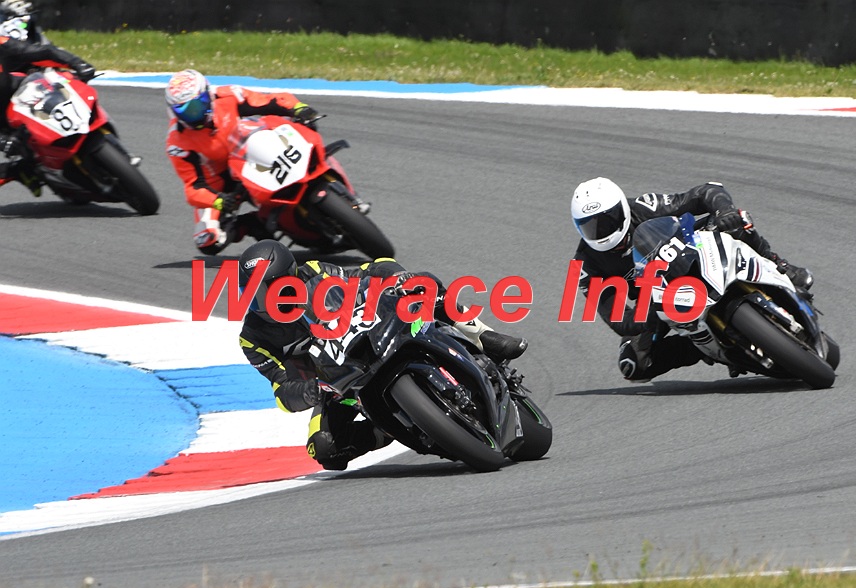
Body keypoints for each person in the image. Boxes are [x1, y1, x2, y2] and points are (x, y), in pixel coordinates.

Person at [237, 240, 528, 470]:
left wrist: (397, 277)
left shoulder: (315, 272)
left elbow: (367, 271)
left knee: (423, 284)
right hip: (334, 384)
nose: (265, 302)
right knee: (324, 449)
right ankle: (386, 430)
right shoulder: (253, 337)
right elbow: (281, 392)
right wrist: (309, 392)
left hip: (371, 334)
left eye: (272, 290)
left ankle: (483, 337)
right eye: (254, 295)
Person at [570, 177, 814, 382]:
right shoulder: (584, 266)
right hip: (656, 298)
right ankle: (703, 348)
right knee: (633, 364)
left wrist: (724, 210)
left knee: (736, 221)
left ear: (622, 210)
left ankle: (780, 266)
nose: (600, 232)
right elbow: (619, 320)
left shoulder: (643, 207)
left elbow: (705, 191)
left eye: (607, 221)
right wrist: (648, 314)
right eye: (589, 227)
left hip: (690, 251)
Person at [164, 68, 321, 255]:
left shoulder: (228, 95)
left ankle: (318, 164)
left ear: (208, 94)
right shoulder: (177, 142)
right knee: (207, 240)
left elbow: (268, 101)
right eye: (186, 111)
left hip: (252, 150)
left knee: (298, 124)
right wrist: (219, 201)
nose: (195, 114)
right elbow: (193, 187)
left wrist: (298, 108)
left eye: (198, 105)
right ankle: (252, 223)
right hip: (222, 183)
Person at [0, 0, 94, 196]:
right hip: (4, 125)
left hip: (18, 88)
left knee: (65, 80)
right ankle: (20, 170)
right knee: (21, 154)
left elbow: (37, 51)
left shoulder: (3, 40)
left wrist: (77, 63)